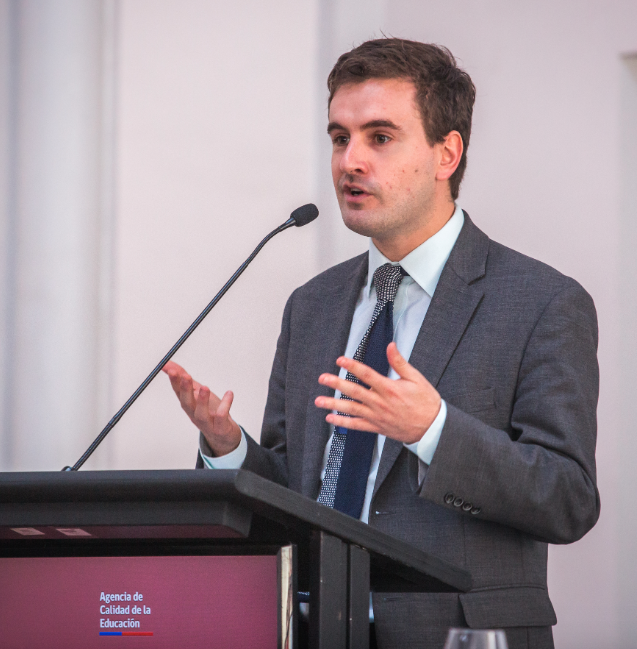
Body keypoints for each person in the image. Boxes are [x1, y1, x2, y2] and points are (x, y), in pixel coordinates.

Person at [163, 38, 599, 649]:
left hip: (458, 637)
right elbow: (296, 494)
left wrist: (434, 430)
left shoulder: (542, 302)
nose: (350, 161)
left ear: (447, 153)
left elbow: (568, 498)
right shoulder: (312, 306)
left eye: (380, 137)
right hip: (314, 630)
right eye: (340, 138)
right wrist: (230, 450)